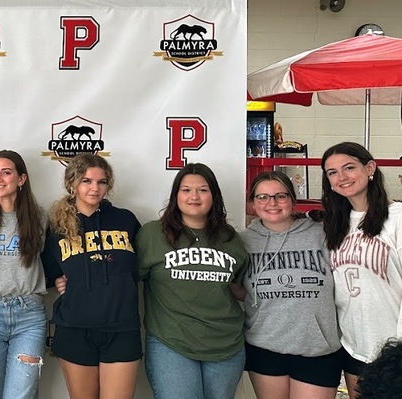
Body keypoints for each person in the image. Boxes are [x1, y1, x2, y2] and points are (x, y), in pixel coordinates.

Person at [137, 163, 249, 399]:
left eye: (203, 190)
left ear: (214, 196)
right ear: (175, 195)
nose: (194, 197)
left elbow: (240, 289)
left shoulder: (231, 239)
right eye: (186, 190)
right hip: (171, 342)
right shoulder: (152, 235)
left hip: (226, 345)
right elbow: (124, 281)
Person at [43, 154, 142, 399]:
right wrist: (57, 280)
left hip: (122, 327)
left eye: (101, 182)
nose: (94, 188)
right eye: (87, 181)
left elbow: (139, 268)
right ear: (72, 184)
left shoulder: (125, 220)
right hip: (75, 328)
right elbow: (46, 272)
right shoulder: (57, 226)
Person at [236, 171, 342, 399]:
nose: (271, 203)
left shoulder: (322, 233)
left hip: (317, 348)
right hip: (264, 346)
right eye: (262, 197)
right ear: (252, 203)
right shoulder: (243, 242)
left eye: (280, 196)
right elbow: (236, 287)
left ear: (293, 200)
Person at [320, 142, 402, 399]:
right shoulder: (335, 223)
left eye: (349, 168)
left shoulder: (397, 217)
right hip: (355, 346)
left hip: (395, 349)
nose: (341, 177)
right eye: (332, 172)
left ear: (370, 168)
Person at [0, 150, 47, 399]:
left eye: (6, 172)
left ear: (21, 179)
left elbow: (48, 259)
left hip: (30, 316)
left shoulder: (38, 217)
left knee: (20, 395)